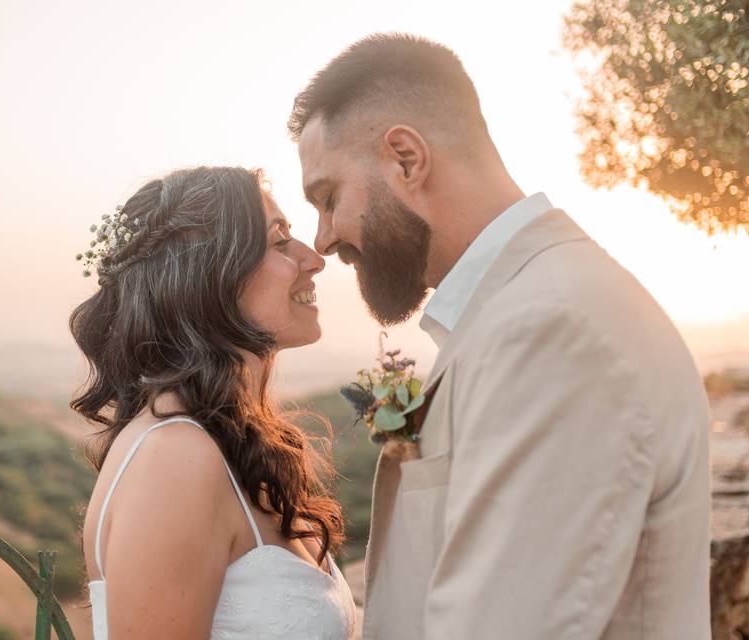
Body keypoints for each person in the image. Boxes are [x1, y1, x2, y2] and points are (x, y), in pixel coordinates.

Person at [290, 34, 711, 639]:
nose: (324, 239)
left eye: (328, 198)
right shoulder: (527, 306)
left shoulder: (551, 327)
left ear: (405, 159)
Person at [72, 166, 357, 639]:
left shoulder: (228, 443)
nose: (314, 258)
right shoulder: (174, 457)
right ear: (210, 275)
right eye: (280, 240)